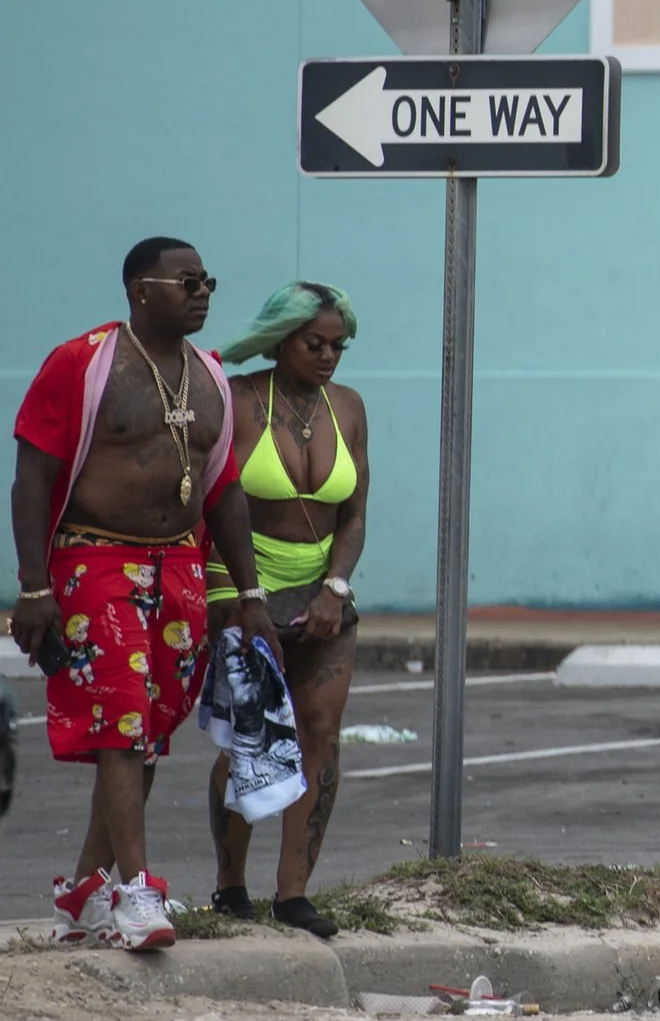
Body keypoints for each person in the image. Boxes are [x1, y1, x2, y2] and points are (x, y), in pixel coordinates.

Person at [10, 239, 277, 952]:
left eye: (208, 280)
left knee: (146, 735)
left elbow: (224, 491)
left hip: (179, 566)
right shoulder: (83, 362)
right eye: (188, 281)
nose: (203, 291)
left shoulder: (209, 376)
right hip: (96, 560)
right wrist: (33, 586)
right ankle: (135, 891)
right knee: (121, 727)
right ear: (140, 289)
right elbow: (31, 477)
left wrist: (250, 593)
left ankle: (85, 892)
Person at [202, 283, 371, 939]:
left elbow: (354, 514)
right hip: (243, 585)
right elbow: (213, 504)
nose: (328, 356)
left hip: (322, 589)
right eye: (314, 344)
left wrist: (337, 586)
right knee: (252, 732)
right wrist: (242, 598)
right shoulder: (239, 399)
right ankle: (229, 884)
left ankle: (293, 893)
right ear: (281, 340)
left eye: (337, 346)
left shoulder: (348, 407)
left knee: (319, 733)